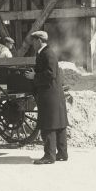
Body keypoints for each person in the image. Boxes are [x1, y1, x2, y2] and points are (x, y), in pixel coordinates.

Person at [24, 31, 68, 165]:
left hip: (49, 94)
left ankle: (49, 156)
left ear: (39, 40)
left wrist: (34, 77)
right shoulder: (47, 52)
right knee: (59, 124)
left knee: (48, 125)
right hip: (54, 93)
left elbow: (50, 73)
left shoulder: (47, 53)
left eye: (33, 40)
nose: (32, 43)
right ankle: (62, 153)